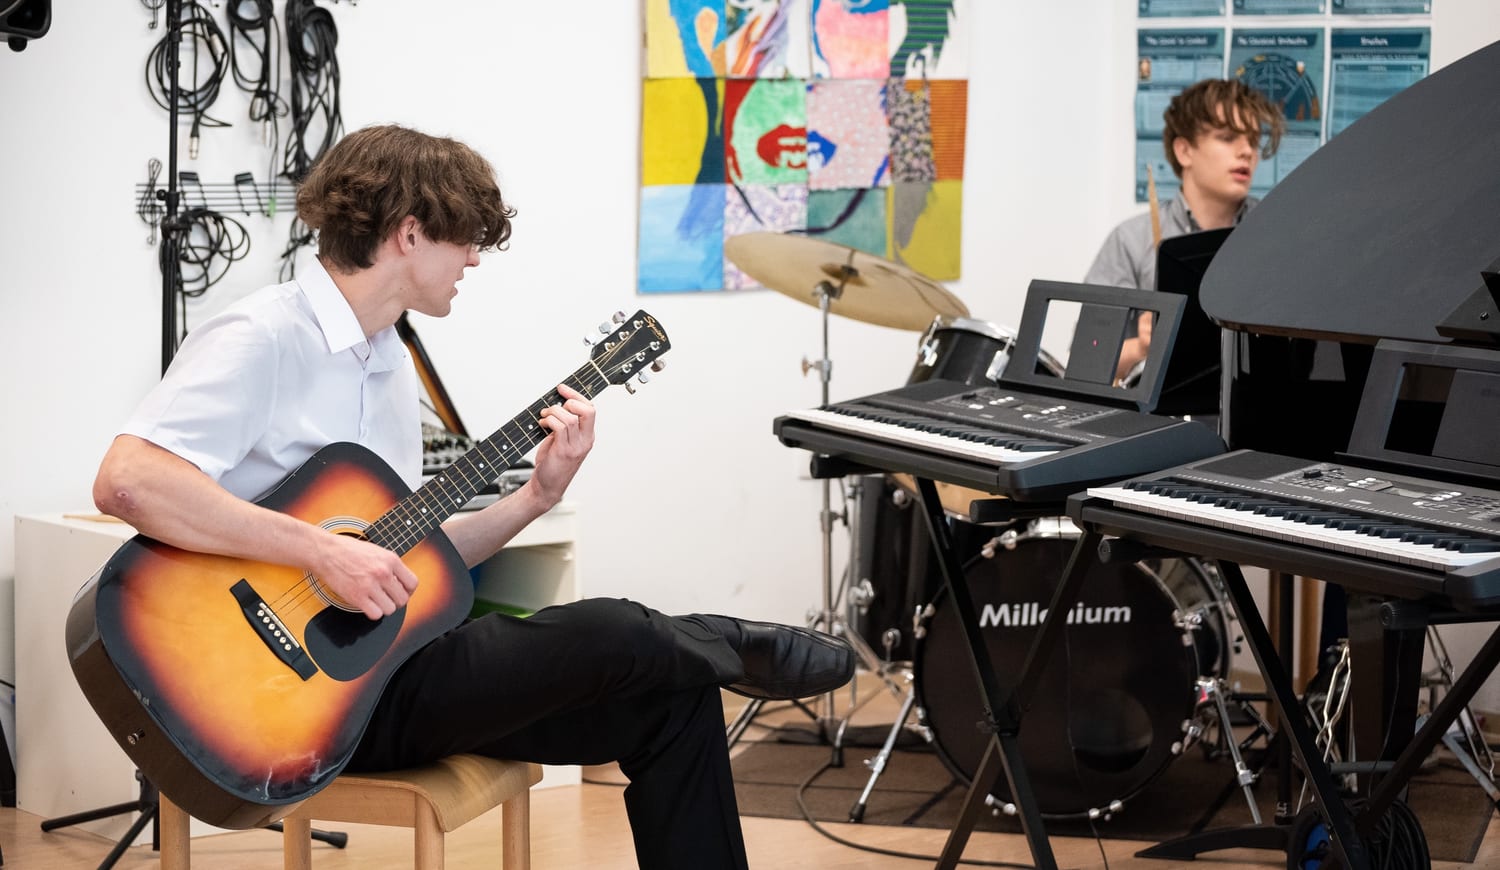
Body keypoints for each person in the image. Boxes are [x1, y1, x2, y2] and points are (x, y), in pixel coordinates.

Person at [91, 123, 855, 869]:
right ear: (410, 233)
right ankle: (728, 641)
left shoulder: (389, 362)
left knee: (675, 698)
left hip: (389, 672)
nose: (476, 260)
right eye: (466, 238)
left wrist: (532, 498)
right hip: (293, 702)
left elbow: (403, 559)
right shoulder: (262, 336)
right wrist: (321, 550)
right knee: (616, 628)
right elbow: (129, 481)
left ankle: (704, 654)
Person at [1085, 78, 1284, 380]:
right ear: (1184, 151)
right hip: (1163, 421)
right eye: (1228, 137)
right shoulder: (1131, 240)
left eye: (1254, 140)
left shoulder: (1275, 232)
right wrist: (1141, 346)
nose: (1246, 151)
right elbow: (1086, 357)